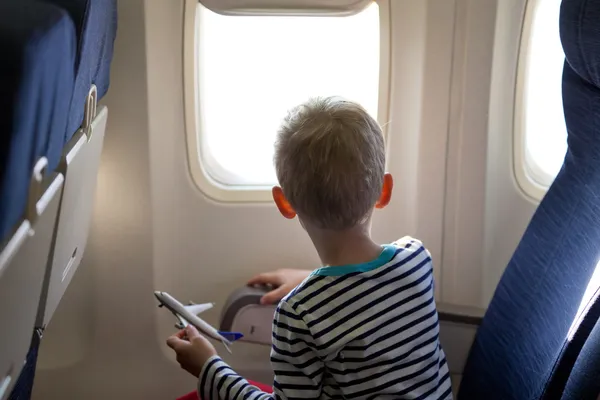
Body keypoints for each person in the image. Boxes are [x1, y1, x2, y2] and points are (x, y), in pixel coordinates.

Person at [166, 96, 452, 399]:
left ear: (284, 203)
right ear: (384, 191)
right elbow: (371, 294)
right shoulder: (418, 259)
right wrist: (314, 280)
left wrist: (209, 368)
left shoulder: (300, 312)